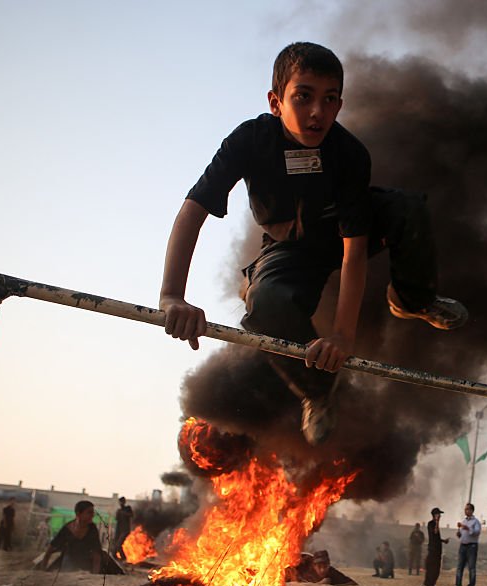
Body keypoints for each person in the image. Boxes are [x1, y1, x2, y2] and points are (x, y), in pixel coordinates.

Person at [159, 42, 468, 446]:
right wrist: (171, 296)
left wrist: (342, 335)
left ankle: (412, 300)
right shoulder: (249, 141)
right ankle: (318, 393)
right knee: (265, 305)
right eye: (303, 97)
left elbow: (354, 250)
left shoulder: (349, 153)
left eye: (330, 99)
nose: (317, 112)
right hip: (289, 249)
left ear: (340, 105)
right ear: (276, 102)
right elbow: (191, 213)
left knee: (406, 208)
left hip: (345, 233)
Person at [40, 501, 103, 573]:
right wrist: (43, 570)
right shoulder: (67, 529)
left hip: (86, 563)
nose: (93, 515)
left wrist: (95, 575)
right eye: (89, 512)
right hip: (69, 562)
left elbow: (96, 554)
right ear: (79, 513)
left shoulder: (92, 529)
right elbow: (50, 550)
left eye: (93, 512)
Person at [419, 507, 449, 586]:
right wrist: (437, 522)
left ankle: (431, 584)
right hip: (433, 550)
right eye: (438, 514)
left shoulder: (435, 524)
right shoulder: (431, 524)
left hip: (437, 550)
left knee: (436, 568)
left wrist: (443, 541)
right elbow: (434, 533)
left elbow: (436, 538)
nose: (440, 516)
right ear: (434, 515)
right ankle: (428, 584)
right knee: (432, 567)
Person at [452, 503, 481, 586]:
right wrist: (459, 533)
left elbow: (476, 532)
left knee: (471, 567)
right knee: (459, 566)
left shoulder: (476, 522)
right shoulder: (464, 521)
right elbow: (462, 534)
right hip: (463, 545)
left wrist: (467, 528)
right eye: (465, 509)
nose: (466, 511)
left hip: (472, 546)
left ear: (472, 510)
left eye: (468, 509)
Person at [288, 549, 357, 586]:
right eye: (319, 566)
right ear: (314, 565)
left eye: (325, 566)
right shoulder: (304, 565)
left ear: (329, 564)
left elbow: (352, 583)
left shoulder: (331, 572)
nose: (322, 569)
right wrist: (320, 584)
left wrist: (332, 585)